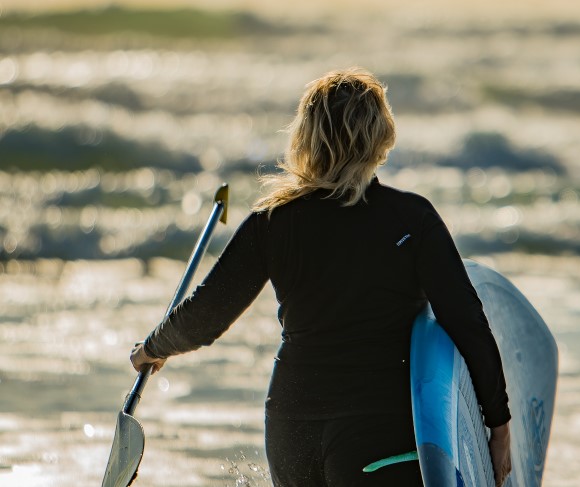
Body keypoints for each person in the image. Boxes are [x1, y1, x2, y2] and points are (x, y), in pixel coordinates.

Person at [130, 67, 512, 487]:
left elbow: (206, 316)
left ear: (306, 138)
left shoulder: (272, 221)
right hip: (378, 432)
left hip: (292, 430)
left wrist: (154, 346)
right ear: (382, 136)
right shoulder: (412, 219)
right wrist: (498, 423)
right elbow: (466, 323)